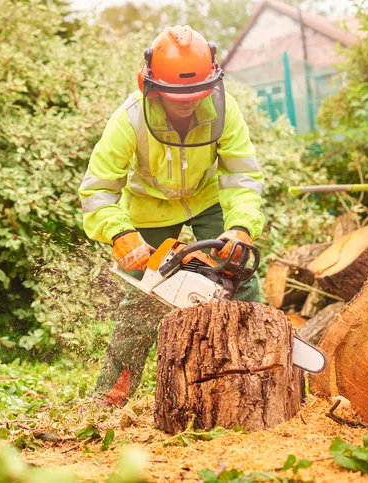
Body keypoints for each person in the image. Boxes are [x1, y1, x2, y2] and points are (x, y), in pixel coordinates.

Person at [78, 25, 266, 407]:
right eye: (178, 95)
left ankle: (262, 372)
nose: (187, 103)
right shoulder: (129, 119)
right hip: (149, 204)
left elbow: (241, 176)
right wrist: (119, 234)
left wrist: (241, 228)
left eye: (196, 95)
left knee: (240, 275)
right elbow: (97, 189)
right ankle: (111, 394)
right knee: (141, 298)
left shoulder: (225, 112)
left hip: (208, 199)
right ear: (150, 86)